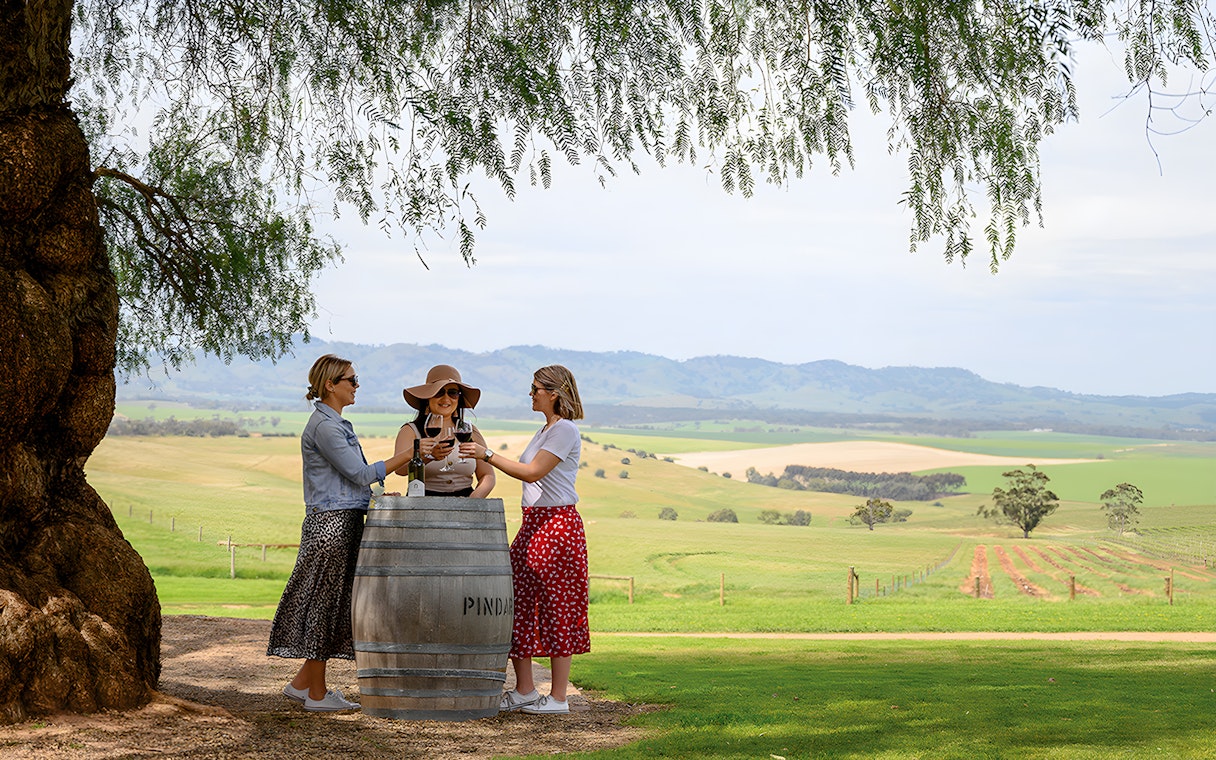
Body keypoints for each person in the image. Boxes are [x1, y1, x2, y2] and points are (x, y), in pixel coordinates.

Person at [267, 354, 416, 712]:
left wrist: (378, 498)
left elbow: (354, 485)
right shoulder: (327, 427)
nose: (356, 385)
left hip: (342, 521)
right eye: (350, 379)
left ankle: (303, 685)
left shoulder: (336, 424)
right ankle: (317, 696)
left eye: (356, 378)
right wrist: (411, 453)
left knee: (331, 606)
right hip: (331, 527)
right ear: (329, 385)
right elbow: (360, 474)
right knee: (325, 606)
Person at [458, 364, 588, 715]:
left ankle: (559, 698)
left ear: (554, 393)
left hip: (556, 526)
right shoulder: (545, 430)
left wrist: (486, 455)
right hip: (535, 523)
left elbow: (532, 472)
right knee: (520, 602)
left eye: (535, 389)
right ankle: (526, 689)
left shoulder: (565, 431)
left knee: (558, 605)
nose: (530, 394)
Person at [395, 364, 495, 497]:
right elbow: (400, 470)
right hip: (423, 502)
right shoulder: (410, 430)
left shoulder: (469, 431)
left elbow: (488, 475)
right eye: (439, 392)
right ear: (428, 397)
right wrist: (428, 457)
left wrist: (473, 501)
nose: (446, 398)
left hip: (466, 500)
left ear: (458, 398)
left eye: (452, 393)